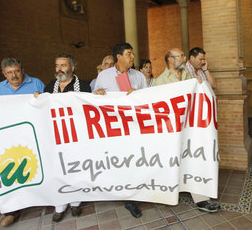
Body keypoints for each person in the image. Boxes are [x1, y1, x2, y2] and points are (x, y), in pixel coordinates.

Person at [153, 48, 220, 213]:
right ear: (170, 59)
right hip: (171, 131)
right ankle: (166, 192)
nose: (184, 58)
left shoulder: (189, 77)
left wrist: (199, 86)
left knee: (193, 158)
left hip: (190, 128)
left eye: (183, 55)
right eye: (180, 56)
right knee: (172, 161)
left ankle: (201, 198)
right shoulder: (159, 81)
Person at [0, 58, 44, 227]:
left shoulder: (36, 83)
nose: (14, 75)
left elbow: (47, 106)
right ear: (4, 74)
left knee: (38, 168)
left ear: (22, 69)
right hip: (8, 139)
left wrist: (42, 98)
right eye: (9, 72)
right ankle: (10, 211)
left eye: (16, 71)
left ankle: (45, 198)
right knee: (4, 172)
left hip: (32, 135)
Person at [93, 42, 147, 218]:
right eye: (129, 54)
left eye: (133, 54)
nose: (132, 57)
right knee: (118, 162)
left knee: (133, 162)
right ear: (119, 56)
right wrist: (99, 93)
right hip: (113, 128)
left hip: (134, 127)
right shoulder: (104, 76)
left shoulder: (138, 76)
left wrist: (137, 96)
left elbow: (148, 100)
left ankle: (132, 199)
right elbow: (94, 100)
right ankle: (118, 191)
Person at [39, 54, 90, 222]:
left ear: (72, 68)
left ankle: (75, 202)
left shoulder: (82, 86)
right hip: (54, 137)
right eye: (57, 65)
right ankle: (59, 205)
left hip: (76, 136)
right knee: (57, 170)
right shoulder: (49, 87)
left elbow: (89, 108)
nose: (59, 69)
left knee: (75, 168)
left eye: (63, 65)